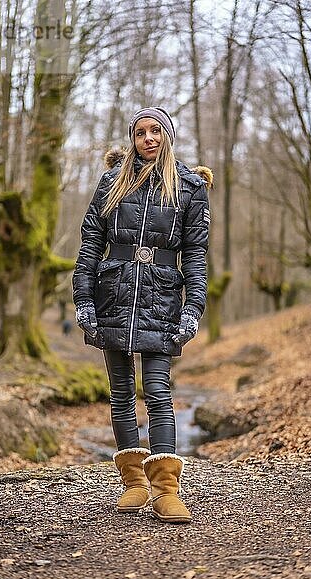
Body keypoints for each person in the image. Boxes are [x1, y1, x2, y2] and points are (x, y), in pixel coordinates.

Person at [72, 106, 211, 524]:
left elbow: (197, 254)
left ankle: (166, 490)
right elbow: (91, 241)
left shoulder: (189, 187)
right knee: (119, 392)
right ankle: (133, 483)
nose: (147, 138)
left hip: (162, 298)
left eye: (155, 131)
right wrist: (83, 298)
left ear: (167, 135)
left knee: (157, 390)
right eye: (139, 133)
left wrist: (193, 306)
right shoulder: (112, 181)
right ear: (132, 139)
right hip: (111, 293)